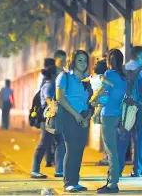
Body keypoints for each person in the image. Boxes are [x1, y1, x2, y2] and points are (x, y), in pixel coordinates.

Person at [90, 49, 127, 194]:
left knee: (111, 150)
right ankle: (112, 180)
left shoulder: (109, 74)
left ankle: (112, 184)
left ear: (109, 61)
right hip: (118, 115)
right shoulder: (123, 77)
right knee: (115, 150)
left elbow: (101, 91)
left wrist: (92, 100)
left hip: (108, 116)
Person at [56, 50, 91, 193]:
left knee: (79, 150)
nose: (83, 64)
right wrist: (76, 115)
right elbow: (60, 98)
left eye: (85, 61)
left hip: (83, 116)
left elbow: (90, 100)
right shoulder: (64, 76)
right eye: (79, 60)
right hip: (70, 116)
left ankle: (75, 182)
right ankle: (68, 183)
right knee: (71, 149)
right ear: (73, 61)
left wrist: (87, 116)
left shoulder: (88, 79)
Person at [117, 46, 142, 177]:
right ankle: (137, 169)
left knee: (123, 138)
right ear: (140, 55)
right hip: (140, 107)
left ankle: (118, 169)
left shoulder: (122, 70)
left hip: (125, 108)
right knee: (140, 140)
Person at [30, 65, 65, 179]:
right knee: (44, 144)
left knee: (60, 142)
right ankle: (35, 170)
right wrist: (53, 106)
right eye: (59, 72)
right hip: (48, 119)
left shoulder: (54, 84)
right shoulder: (49, 85)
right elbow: (48, 99)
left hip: (55, 118)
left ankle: (59, 170)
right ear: (54, 74)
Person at [83, 59, 114, 124]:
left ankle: (96, 118)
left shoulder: (91, 77)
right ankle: (95, 116)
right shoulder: (101, 76)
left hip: (95, 95)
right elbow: (104, 81)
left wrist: (81, 80)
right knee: (101, 105)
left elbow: (86, 79)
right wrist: (111, 84)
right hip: (103, 95)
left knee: (97, 106)